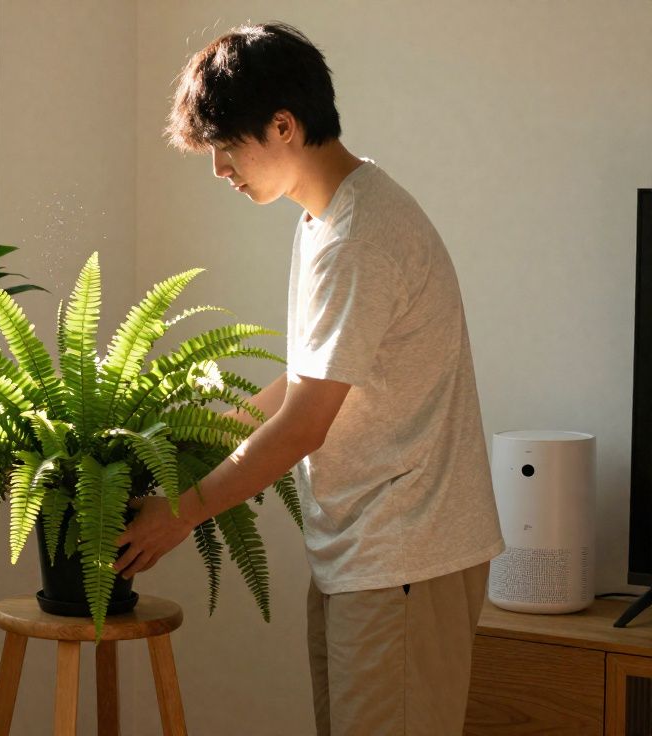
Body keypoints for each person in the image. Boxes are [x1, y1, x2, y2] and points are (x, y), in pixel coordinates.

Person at [112, 22, 505, 736]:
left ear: (284, 126)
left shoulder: (359, 237)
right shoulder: (329, 219)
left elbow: (303, 426)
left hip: (404, 558)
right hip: (371, 556)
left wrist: (181, 513)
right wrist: (186, 442)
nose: (219, 170)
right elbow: (306, 386)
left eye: (227, 147)